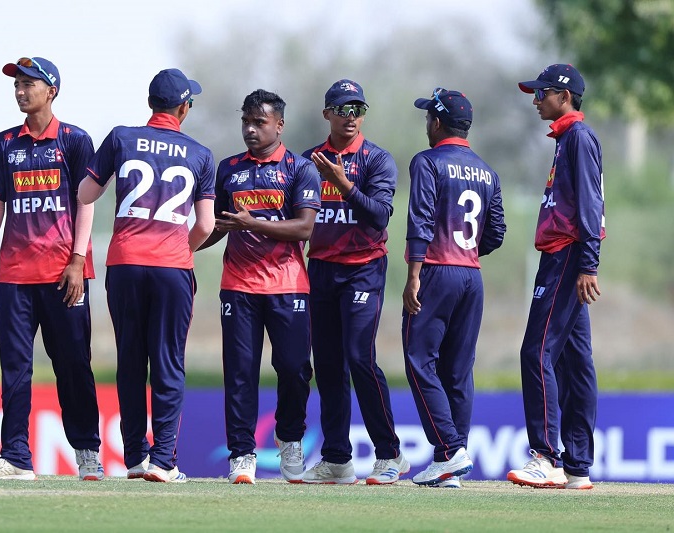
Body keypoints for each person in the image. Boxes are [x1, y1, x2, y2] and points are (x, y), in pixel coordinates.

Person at [0, 57, 103, 481]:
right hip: (15, 277)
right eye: (17, 85)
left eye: (29, 84)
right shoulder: (3, 143)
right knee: (16, 370)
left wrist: (77, 260)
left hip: (64, 275)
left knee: (73, 365)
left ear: (51, 90)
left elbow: (86, 201)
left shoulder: (75, 140)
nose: (21, 92)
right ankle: (16, 457)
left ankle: (88, 453)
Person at [78, 68, 216, 484]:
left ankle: (136, 457)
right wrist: (179, 249)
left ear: (151, 103)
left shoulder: (121, 137)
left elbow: (85, 194)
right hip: (172, 267)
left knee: (131, 361)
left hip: (124, 263)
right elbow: (206, 225)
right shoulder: (200, 153)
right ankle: (163, 460)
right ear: (184, 108)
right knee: (168, 363)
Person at [199, 89, 321, 484]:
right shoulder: (229, 169)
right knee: (240, 373)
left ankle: (290, 439)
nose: (250, 129)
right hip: (239, 286)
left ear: (279, 125)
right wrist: (183, 250)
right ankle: (241, 454)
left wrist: (253, 223)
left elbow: (304, 228)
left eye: (259, 122)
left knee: (295, 369)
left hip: (288, 285)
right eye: (246, 122)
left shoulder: (300, 169)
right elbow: (218, 226)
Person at [300, 79, 407, 485]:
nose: (351, 117)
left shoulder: (377, 159)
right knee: (327, 364)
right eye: (343, 109)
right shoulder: (308, 161)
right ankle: (337, 460)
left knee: (359, 357)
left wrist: (343, 183)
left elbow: (378, 216)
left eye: (358, 109)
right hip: (320, 268)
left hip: (363, 267)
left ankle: (389, 454)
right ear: (327, 113)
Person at [507, 64, 604, 490]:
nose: (535, 100)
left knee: (536, 351)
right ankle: (577, 466)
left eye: (541, 93)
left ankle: (546, 457)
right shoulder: (567, 139)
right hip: (563, 255)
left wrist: (588, 264)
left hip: (567, 255)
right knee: (574, 360)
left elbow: (591, 205)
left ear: (564, 96)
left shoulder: (578, 137)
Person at [403, 88, 506, 488]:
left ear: (437, 122)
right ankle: (450, 464)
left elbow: (420, 219)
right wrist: (467, 251)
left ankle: (449, 451)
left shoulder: (427, 161)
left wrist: (414, 274)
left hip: (435, 270)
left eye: (428, 117)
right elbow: (496, 232)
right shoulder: (487, 171)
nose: (426, 124)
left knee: (419, 359)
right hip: (471, 275)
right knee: (458, 370)